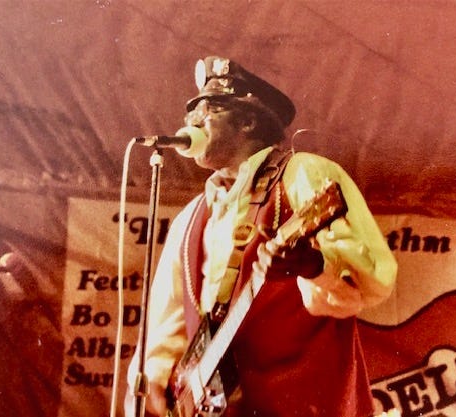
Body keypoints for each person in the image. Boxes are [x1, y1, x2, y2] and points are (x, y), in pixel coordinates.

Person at [125, 56, 398, 417]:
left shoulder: (305, 173)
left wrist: (314, 265)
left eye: (205, 111)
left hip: (301, 400)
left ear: (248, 121)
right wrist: (149, 385)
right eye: (188, 115)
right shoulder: (191, 217)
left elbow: (371, 281)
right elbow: (169, 319)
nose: (190, 123)